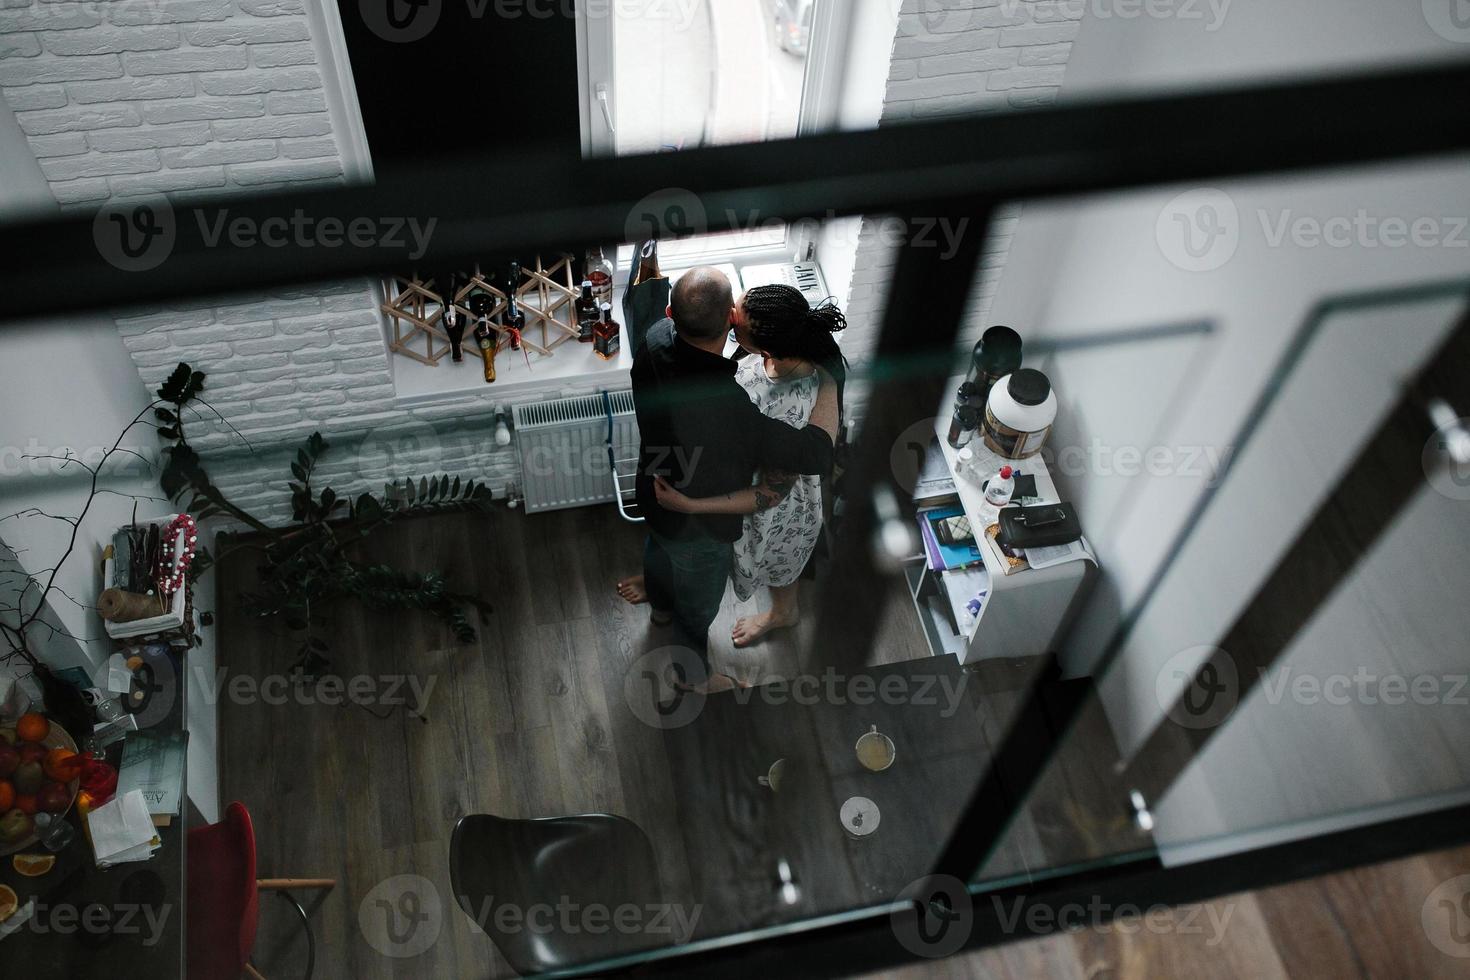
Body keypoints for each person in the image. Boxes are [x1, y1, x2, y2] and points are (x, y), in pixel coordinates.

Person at [616, 268, 838, 689]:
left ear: (670, 312)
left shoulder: (655, 335)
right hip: (696, 521)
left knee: (658, 550)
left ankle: (660, 605)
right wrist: (833, 379)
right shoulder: (727, 407)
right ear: (729, 323)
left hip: (653, 483)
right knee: (696, 610)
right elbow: (815, 451)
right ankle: (693, 678)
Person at [652, 285, 847, 647]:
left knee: (778, 566)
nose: (729, 317)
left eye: (734, 321)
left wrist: (692, 505)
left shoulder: (792, 408)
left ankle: (783, 614)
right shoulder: (775, 342)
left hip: (778, 514)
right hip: (744, 484)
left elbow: (771, 495)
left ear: (765, 348)